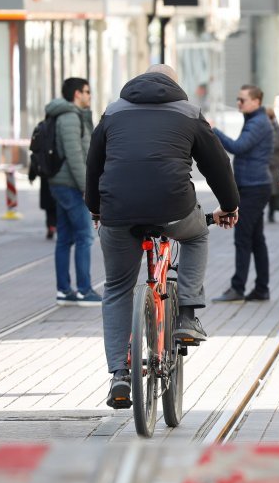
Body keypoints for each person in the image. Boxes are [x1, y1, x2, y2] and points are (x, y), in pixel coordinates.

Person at [85, 64, 240, 408]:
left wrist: (96, 209)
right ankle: (186, 315)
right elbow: (216, 165)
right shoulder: (189, 112)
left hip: (118, 213)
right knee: (197, 236)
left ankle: (120, 376)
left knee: (116, 288)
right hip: (174, 210)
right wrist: (229, 206)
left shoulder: (112, 112)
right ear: (174, 85)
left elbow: (93, 166)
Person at [212, 85, 274, 303]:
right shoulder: (255, 120)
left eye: (242, 100)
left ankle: (238, 288)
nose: (239, 103)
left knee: (243, 238)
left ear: (256, 101)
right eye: (237, 99)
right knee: (256, 238)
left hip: (254, 187)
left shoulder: (258, 123)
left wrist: (214, 130)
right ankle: (261, 288)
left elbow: (238, 147)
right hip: (253, 185)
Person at [45, 77, 101, 306]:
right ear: (77, 94)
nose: (90, 95)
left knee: (65, 238)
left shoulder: (73, 115)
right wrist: (87, 189)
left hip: (63, 184)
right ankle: (84, 290)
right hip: (70, 185)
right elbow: (75, 156)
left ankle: (64, 290)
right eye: (87, 91)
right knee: (84, 236)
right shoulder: (69, 117)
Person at [265, 107, 279, 223]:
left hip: (275, 164)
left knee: (274, 191)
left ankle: (271, 213)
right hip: (264, 164)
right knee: (264, 190)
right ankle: (264, 211)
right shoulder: (260, 129)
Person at [27, 163, 57, 239]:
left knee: (49, 206)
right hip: (60, 177)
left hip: (46, 178)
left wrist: (31, 176)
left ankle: (51, 226)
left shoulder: (43, 150)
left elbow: (35, 157)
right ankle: (57, 227)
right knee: (59, 206)